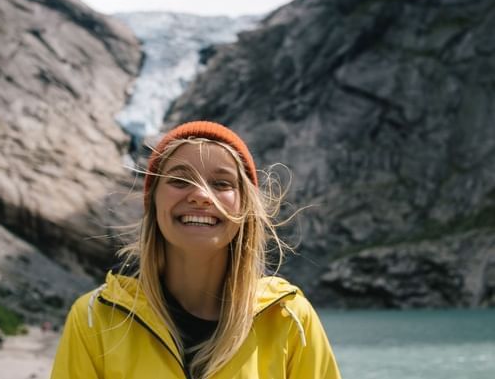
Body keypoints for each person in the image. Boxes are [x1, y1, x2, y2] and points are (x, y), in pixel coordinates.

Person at [51, 121, 341, 379]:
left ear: (246, 206)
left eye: (221, 183)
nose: (201, 195)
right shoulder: (94, 320)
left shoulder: (290, 319)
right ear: (152, 203)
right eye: (180, 180)